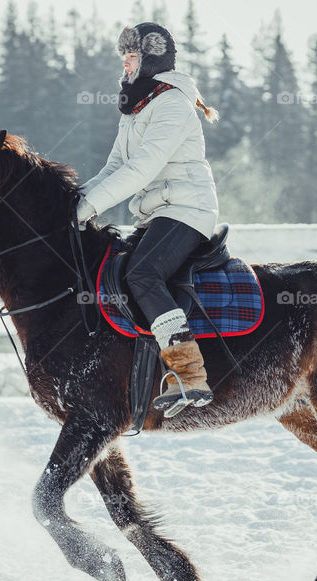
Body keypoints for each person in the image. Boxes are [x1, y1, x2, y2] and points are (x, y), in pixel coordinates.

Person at [76, 22, 221, 417]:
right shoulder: (139, 105)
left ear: (152, 59)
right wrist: (73, 202)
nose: (125, 64)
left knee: (143, 275)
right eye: (123, 57)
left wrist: (86, 211)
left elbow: (142, 168)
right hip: (157, 213)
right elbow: (115, 167)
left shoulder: (171, 103)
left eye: (132, 56)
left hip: (187, 209)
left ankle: (190, 377)